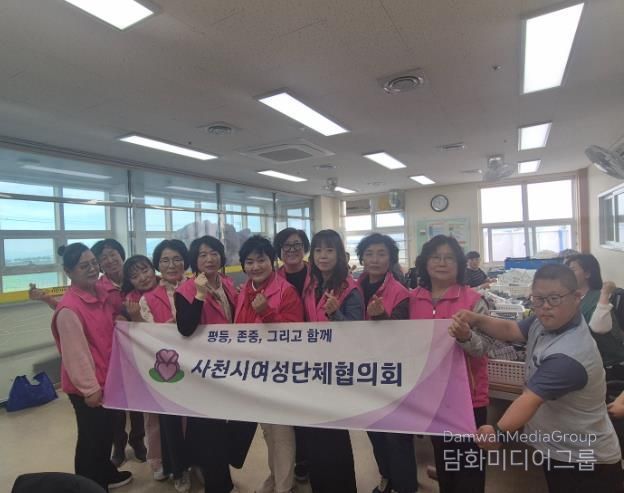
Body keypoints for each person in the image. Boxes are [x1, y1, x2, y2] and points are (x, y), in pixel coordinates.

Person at [450, 264, 622, 492]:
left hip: (586, 459)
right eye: (538, 299)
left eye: (555, 298)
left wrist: (498, 432)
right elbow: (511, 329)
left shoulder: (570, 355)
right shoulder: (545, 321)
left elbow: (530, 400)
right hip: (559, 446)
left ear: (576, 298)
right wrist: (476, 318)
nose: (545, 307)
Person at [409, 235, 491, 493]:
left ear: (459, 264)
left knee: (469, 469)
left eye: (449, 258)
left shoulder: (473, 300)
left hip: (468, 398)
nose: (442, 263)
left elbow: (484, 347)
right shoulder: (412, 299)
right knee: (445, 463)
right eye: (435, 257)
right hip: (432, 397)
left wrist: (466, 337)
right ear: (425, 263)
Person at [175, 235, 255, 493]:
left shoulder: (227, 284)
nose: (209, 259)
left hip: (232, 366)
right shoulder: (186, 290)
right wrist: (199, 294)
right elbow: (186, 328)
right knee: (212, 430)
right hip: (204, 370)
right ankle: (219, 485)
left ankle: (210, 463)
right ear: (194, 260)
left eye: (214, 253)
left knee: (243, 420)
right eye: (202, 255)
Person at [50, 243, 132, 491]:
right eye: (83, 266)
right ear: (68, 272)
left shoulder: (101, 293)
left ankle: (105, 473)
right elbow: (75, 355)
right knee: (90, 440)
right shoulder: (69, 309)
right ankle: (87, 485)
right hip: (88, 387)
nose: (92, 269)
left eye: (94, 264)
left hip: (107, 378)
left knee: (105, 434)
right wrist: (90, 389)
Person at [234, 235, 304, 493]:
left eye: (261, 260)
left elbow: (295, 334)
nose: (255, 266)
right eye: (249, 261)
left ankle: (284, 486)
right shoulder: (244, 291)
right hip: (254, 372)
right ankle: (276, 477)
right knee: (268, 431)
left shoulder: (286, 291)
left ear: (272, 261)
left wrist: (266, 312)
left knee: (282, 431)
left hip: (279, 372)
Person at [301, 229, 363, 493]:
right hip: (312, 371)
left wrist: (336, 313)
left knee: (335, 438)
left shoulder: (350, 289)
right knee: (314, 436)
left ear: (339, 255)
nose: (323, 256)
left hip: (337, 372)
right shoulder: (311, 285)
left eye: (329, 250)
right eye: (318, 250)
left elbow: (358, 334)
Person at [356, 233, 416, 493]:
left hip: (392, 373)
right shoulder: (354, 288)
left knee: (397, 434)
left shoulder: (400, 292)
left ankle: (405, 486)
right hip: (364, 371)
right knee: (374, 431)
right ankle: (386, 477)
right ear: (361, 258)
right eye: (369, 254)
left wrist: (383, 317)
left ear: (391, 258)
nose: (375, 259)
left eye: (381, 254)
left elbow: (403, 335)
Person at [140, 239, 191, 493]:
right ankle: (178, 470)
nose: (172, 265)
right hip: (167, 368)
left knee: (196, 420)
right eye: (165, 260)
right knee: (170, 422)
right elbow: (150, 336)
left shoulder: (197, 288)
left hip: (198, 367)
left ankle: (197, 463)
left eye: (177, 259)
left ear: (185, 262)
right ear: (158, 265)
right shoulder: (148, 299)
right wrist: (171, 328)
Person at [92, 240, 147, 467]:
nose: (110, 260)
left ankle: (138, 441)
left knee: (138, 400)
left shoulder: (136, 277)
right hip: (112, 350)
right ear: (98, 264)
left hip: (139, 348)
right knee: (115, 400)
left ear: (121, 254)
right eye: (103, 258)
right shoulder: (97, 287)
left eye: (112, 254)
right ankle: (119, 446)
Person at [120, 255, 165, 479]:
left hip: (179, 364)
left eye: (145, 270)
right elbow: (141, 337)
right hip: (150, 368)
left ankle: (183, 459)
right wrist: (136, 316)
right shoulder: (131, 301)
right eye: (135, 275)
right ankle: (157, 461)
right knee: (153, 418)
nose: (143, 277)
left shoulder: (169, 286)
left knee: (180, 416)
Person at [273, 227, 312, 482]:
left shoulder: (316, 275)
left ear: (305, 248)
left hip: (315, 351)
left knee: (311, 407)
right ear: (279, 251)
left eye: (297, 245)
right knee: (291, 409)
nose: (292, 250)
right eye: (286, 246)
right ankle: (299, 460)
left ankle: (310, 457)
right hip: (284, 354)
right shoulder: (273, 279)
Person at [564, 254, 624, 379]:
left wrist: (605, 293)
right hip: (580, 358)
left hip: (606, 364)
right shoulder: (570, 297)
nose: (567, 274)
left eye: (572, 269)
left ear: (587, 274)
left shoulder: (598, 298)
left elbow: (598, 328)